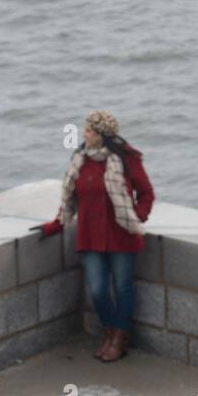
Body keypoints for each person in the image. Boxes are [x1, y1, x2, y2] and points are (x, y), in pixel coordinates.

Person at [35, 110, 155, 362]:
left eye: (89, 130)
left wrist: (136, 218)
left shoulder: (126, 159)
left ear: (101, 135)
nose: (84, 134)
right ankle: (110, 331)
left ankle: (119, 338)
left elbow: (146, 193)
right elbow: (70, 200)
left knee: (122, 288)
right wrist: (55, 225)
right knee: (98, 289)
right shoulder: (80, 159)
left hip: (122, 237)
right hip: (90, 238)